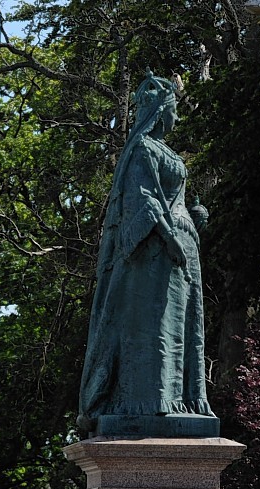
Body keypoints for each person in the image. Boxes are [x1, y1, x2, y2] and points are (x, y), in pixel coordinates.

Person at [77, 73, 216, 437]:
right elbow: (145, 200)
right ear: (161, 111)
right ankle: (151, 403)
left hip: (183, 251)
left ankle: (182, 400)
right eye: (174, 111)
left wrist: (192, 223)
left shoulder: (165, 151)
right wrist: (170, 238)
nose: (177, 119)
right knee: (156, 326)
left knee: (181, 327)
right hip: (154, 255)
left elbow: (172, 199)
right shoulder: (143, 150)